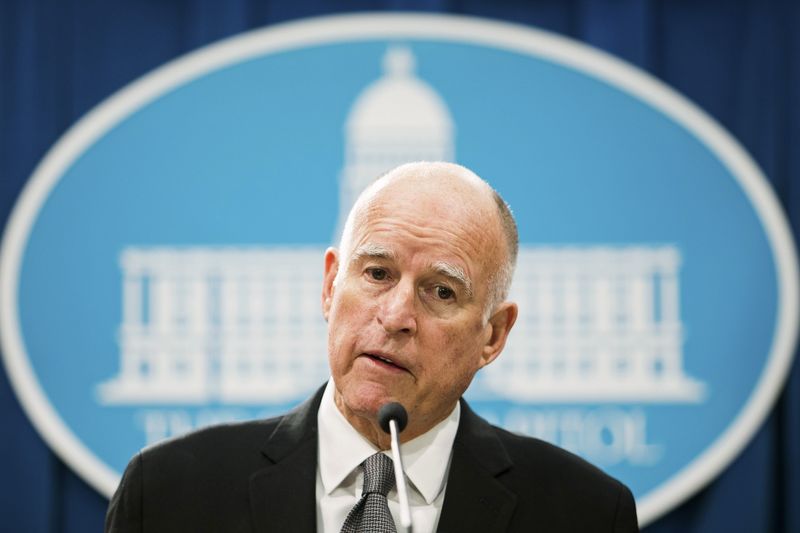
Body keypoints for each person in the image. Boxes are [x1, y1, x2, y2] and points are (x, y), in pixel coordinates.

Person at [105, 161, 639, 532]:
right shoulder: (170, 492)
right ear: (330, 285)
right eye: (378, 273)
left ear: (493, 336)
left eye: (441, 292)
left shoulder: (585, 513)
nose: (396, 316)